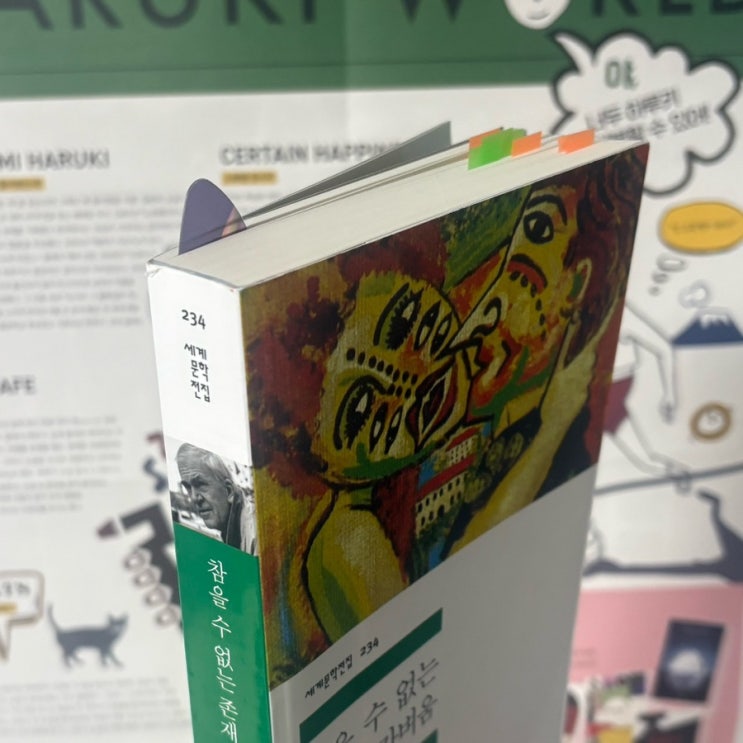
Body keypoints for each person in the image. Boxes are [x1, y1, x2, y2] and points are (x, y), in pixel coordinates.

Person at [175, 443, 256, 554]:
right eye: (188, 487)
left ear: (228, 491)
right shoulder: (232, 526)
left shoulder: (257, 533)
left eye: (200, 484)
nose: (194, 497)